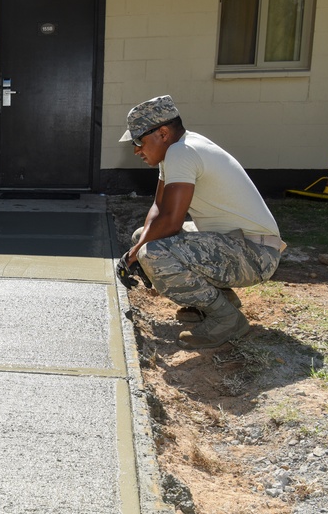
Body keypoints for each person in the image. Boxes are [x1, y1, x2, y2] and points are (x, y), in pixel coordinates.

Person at [117, 95, 285, 350]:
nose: (136, 149)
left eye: (139, 140)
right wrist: (136, 248)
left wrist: (136, 255)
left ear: (162, 133)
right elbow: (159, 209)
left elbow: (172, 222)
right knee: (142, 237)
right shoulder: (179, 149)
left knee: (152, 252)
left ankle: (226, 319)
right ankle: (221, 301)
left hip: (255, 254)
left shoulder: (181, 152)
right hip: (241, 244)